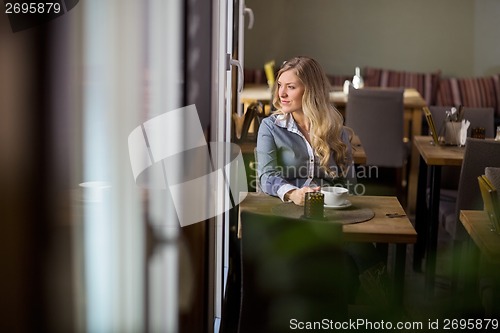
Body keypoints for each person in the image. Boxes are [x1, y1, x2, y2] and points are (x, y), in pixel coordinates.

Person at [255, 56, 391, 307]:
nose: (282, 93)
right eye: (280, 86)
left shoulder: (334, 129)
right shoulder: (270, 127)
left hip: (329, 212)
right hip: (287, 212)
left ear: (311, 91)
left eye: (291, 87)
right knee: (357, 251)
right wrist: (293, 193)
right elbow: (266, 177)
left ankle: (385, 310)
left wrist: (334, 192)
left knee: (362, 250)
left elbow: (348, 181)